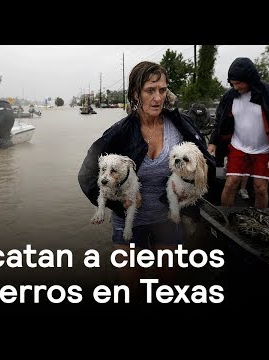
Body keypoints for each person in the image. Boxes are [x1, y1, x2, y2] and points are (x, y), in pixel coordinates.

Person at [78, 61, 215, 301]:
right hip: (129, 219)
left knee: (168, 286)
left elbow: (207, 167)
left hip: (168, 216)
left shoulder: (181, 126)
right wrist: (118, 204)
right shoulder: (120, 132)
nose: (157, 98)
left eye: (162, 90)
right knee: (132, 288)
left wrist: (191, 187)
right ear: (135, 94)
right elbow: (87, 176)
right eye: (150, 90)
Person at [207, 57, 269, 209]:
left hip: (263, 149)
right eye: (232, 84)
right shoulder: (230, 96)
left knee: (260, 188)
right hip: (237, 146)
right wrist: (213, 142)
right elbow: (220, 121)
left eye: (239, 83)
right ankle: (225, 216)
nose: (235, 87)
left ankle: (260, 220)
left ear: (250, 79)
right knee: (231, 183)